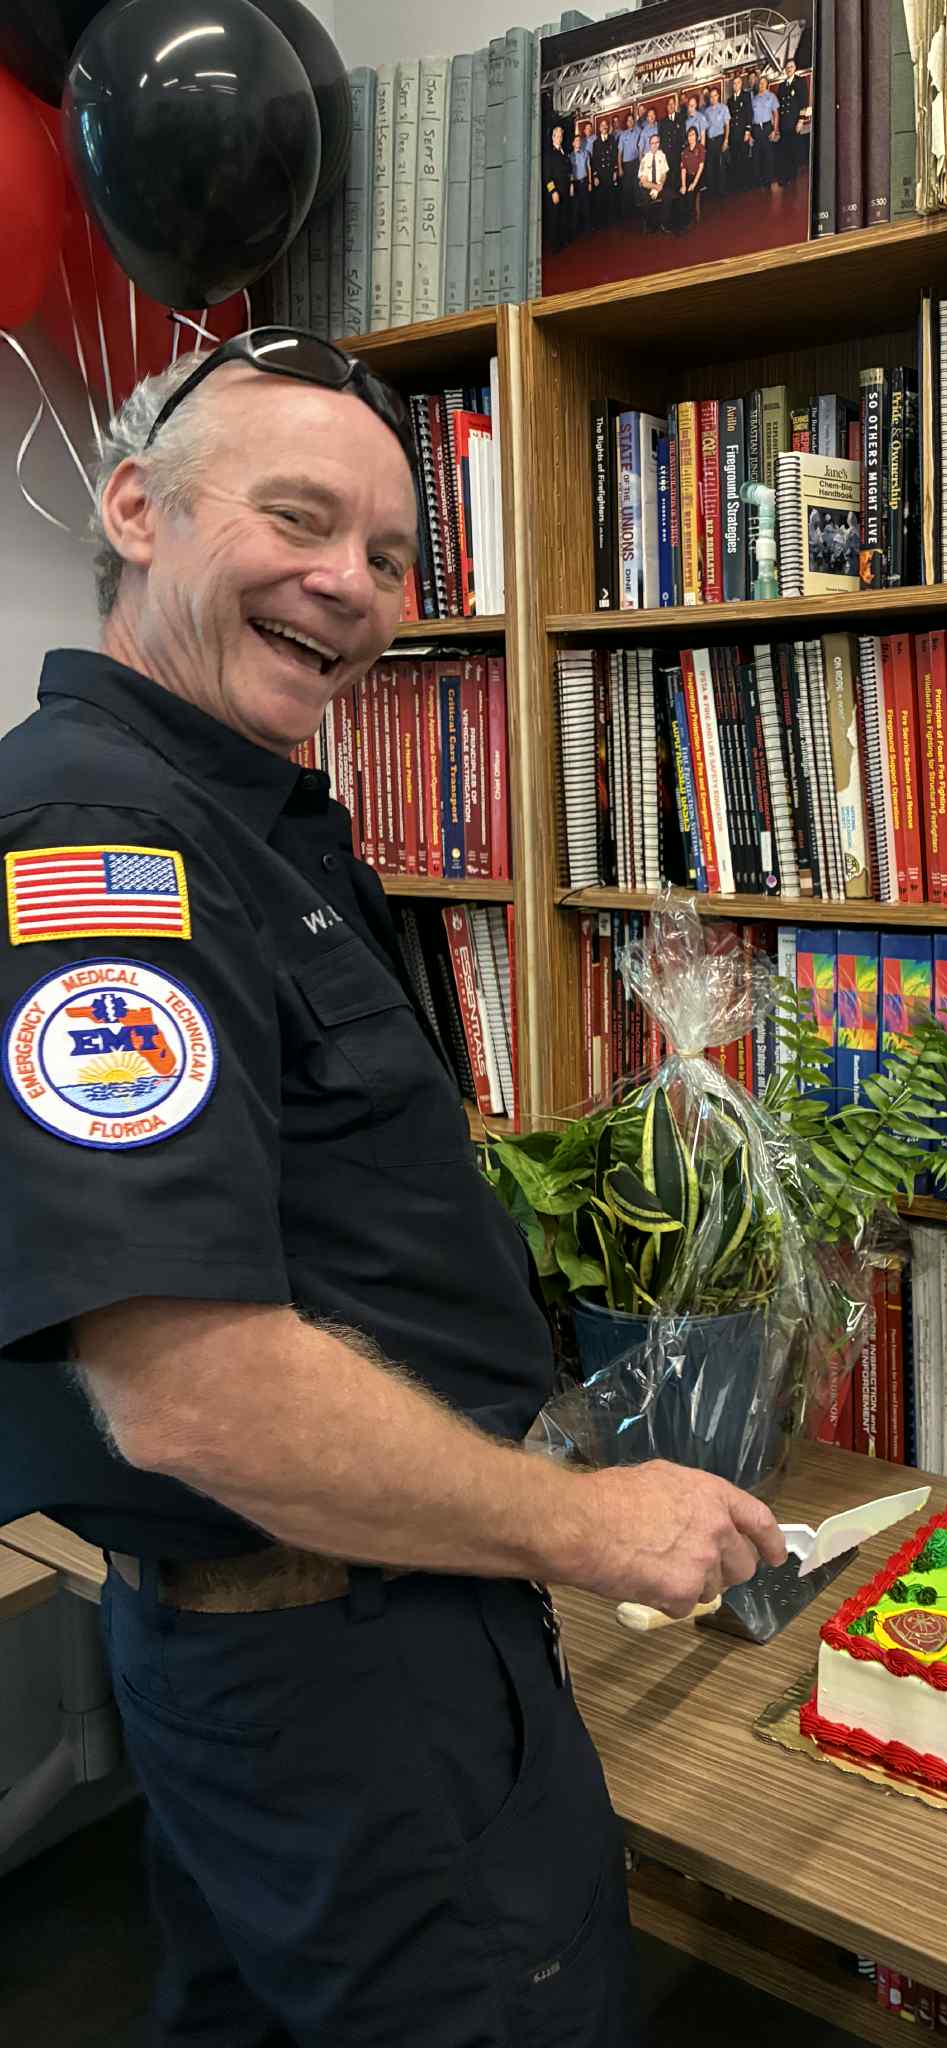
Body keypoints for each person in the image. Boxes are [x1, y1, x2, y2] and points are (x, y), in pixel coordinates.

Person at [0, 328, 787, 2045]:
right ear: (135, 508)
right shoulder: (104, 849)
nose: (348, 585)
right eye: (296, 518)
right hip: (344, 1667)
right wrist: (586, 1523)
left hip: (339, 1629)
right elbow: (195, 1390)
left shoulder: (250, 814)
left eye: (388, 554)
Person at [777, 56, 809, 182]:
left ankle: (792, 176)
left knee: (793, 149)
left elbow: (804, 102)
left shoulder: (800, 82)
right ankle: (786, 176)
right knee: (785, 150)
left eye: (791, 67)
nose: (789, 69)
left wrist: (801, 120)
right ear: (785, 70)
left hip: (794, 121)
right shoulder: (782, 85)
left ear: (795, 68)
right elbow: (780, 106)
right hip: (784, 123)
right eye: (787, 67)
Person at [542, 121, 571, 257]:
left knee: (563, 216)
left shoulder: (563, 151)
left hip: (564, 189)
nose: (560, 138)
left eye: (561, 136)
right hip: (555, 191)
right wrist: (553, 191)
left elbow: (568, 170)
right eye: (557, 136)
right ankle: (555, 246)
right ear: (553, 137)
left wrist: (570, 184)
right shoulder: (549, 153)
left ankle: (562, 241)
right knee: (554, 218)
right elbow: (547, 176)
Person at [750, 70, 780, 188]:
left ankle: (768, 179)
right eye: (760, 83)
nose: (761, 85)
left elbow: (776, 114)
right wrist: (751, 134)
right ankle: (758, 181)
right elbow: (751, 117)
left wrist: (775, 130)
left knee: (768, 154)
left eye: (763, 83)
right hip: (756, 128)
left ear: (767, 84)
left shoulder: (771, 96)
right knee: (757, 156)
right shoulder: (754, 99)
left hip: (767, 127)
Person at [637, 124, 670, 232]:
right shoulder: (645, 159)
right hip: (648, 186)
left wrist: (660, 185)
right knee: (645, 201)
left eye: (657, 143)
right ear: (649, 145)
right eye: (652, 143)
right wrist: (655, 187)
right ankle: (649, 225)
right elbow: (643, 181)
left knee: (668, 197)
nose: (655, 145)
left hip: (660, 185)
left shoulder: (662, 155)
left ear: (659, 143)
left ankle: (663, 224)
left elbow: (664, 174)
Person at [727, 70, 755, 193]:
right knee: (736, 158)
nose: (736, 85)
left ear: (741, 84)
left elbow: (749, 113)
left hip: (743, 132)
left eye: (738, 83)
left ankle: (746, 183)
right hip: (734, 134)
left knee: (744, 157)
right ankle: (737, 184)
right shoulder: (730, 100)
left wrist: (748, 131)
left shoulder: (746, 96)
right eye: (734, 84)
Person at [702, 84, 731, 197]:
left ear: (718, 96)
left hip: (720, 139)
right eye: (711, 96)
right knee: (711, 167)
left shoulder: (723, 108)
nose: (713, 98)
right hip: (710, 141)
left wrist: (726, 140)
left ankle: (722, 190)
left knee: (721, 166)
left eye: (715, 96)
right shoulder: (707, 111)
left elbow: (727, 125)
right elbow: (705, 128)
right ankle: (712, 191)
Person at [591, 114, 619, 232]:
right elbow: (595, 160)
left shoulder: (612, 139)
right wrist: (595, 176)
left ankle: (611, 221)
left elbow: (615, 156)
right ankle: (602, 222)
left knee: (611, 197)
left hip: (610, 172)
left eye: (606, 125)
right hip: (601, 174)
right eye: (602, 125)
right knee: (601, 198)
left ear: (608, 127)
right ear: (599, 128)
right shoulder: (596, 142)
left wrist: (615, 171)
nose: (604, 127)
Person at [677, 121, 706, 231]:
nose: (691, 137)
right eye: (689, 135)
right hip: (688, 176)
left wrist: (694, 184)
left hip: (699, 177)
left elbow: (701, 167)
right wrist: (683, 185)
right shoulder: (684, 151)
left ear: (696, 136)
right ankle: (682, 219)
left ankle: (688, 221)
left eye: (693, 134)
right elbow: (683, 169)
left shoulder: (701, 148)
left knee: (690, 193)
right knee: (682, 192)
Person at [569, 119, 594, 242]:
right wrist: (571, 185)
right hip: (575, 184)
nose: (578, 142)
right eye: (576, 141)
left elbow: (589, 168)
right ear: (573, 143)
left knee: (586, 207)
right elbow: (569, 172)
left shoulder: (586, 153)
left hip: (584, 182)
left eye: (580, 141)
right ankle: (575, 232)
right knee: (575, 208)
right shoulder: (570, 156)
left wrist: (590, 182)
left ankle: (588, 230)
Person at [617, 108, 641, 219]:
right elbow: (619, 153)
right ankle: (627, 214)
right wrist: (620, 168)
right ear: (626, 123)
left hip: (636, 163)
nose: (630, 122)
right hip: (626, 165)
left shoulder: (638, 131)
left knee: (636, 187)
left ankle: (637, 212)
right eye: (629, 121)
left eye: (632, 120)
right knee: (627, 189)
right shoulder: (623, 135)